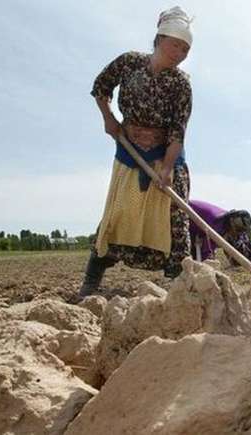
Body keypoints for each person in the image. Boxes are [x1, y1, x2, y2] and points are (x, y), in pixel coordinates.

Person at [76, 6, 194, 301]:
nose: (180, 52)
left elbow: (178, 130)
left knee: (175, 221)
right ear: (159, 38)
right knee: (118, 216)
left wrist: (167, 168)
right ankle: (91, 282)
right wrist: (108, 119)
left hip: (165, 156)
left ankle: (180, 292)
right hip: (129, 154)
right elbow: (101, 87)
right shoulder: (129, 63)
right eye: (176, 44)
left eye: (186, 49)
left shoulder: (181, 84)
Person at [189, 199, 251, 267]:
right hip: (187, 215)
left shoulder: (226, 219)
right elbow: (206, 252)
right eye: (238, 230)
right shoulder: (216, 225)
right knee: (192, 256)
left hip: (198, 218)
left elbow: (243, 240)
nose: (238, 234)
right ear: (232, 222)